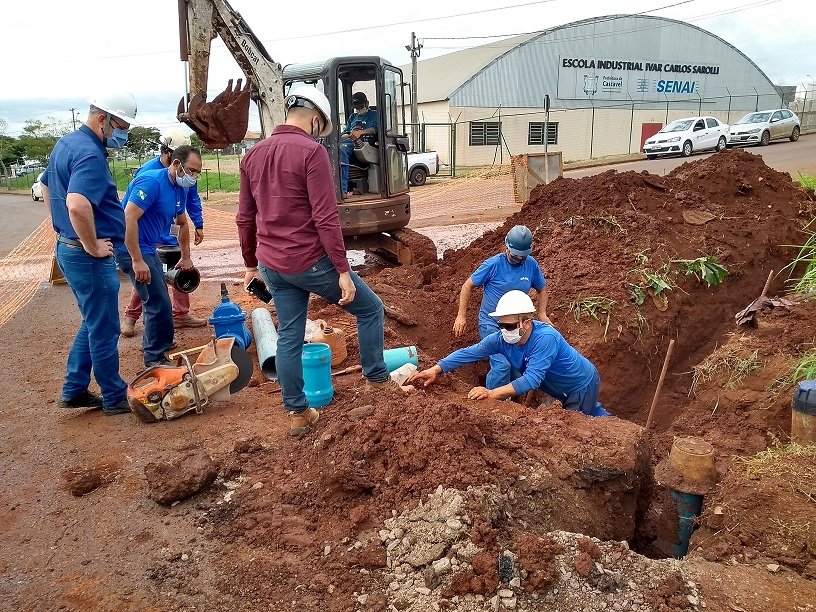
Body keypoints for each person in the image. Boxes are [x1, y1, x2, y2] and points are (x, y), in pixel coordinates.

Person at [237, 85, 393, 437]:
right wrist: (342, 270)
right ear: (315, 119)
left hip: (273, 266)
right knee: (371, 309)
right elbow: (325, 217)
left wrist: (250, 264)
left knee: (289, 336)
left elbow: (244, 218)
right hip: (310, 262)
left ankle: (298, 412)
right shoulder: (312, 152)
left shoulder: (252, 155)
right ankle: (377, 381)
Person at [39, 92, 139, 415]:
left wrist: (63, 227)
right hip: (87, 256)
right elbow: (77, 204)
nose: (122, 135)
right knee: (105, 326)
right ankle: (114, 395)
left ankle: (74, 389)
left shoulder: (67, 144)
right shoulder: (90, 155)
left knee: (93, 321)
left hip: (68, 248)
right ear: (102, 119)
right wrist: (91, 243)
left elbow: (45, 185)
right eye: (121, 127)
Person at [411, 290, 610, 417]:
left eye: (510, 325)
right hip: (558, 386)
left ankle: (616, 432)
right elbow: (470, 353)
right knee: (592, 413)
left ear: (527, 323)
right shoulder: (501, 339)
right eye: (501, 325)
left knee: (579, 422)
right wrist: (436, 369)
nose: (505, 330)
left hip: (580, 383)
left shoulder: (546, 338)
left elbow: (531, 379)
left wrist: (492, 393)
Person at [115, 145, 200, 367]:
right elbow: (128, 218)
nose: (194, 176)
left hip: (148, 247)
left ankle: (161, 342)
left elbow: (181, 223)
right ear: (176, 164)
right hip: (130, 248)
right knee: (156, 300)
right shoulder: (151, 182)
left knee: (160, 294)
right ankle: (153, 357)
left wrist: (186, 256)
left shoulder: (179, 188)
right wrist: (136, 260)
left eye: (198, 172)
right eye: (191, 170)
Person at [121, 128, 206, 337]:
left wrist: (198, 223)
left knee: (178, 270)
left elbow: (190, 201)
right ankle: (132, 316)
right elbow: (131, 215)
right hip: (147, 237)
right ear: (170, 155)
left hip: (170, 232)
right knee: (149, 279)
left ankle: (181, 314)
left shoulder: (183, 179)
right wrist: (138, 256)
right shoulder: (149, 175)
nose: (193, 176)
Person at [453, 225, 551, 390]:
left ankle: (513, 399)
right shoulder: (493, 264)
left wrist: (542, 313)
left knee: (518, 365)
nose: (518, 260)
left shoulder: (531, 265)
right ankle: (492, 400)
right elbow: (468, 285)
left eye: (522, 257)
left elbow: (542, 288)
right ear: (506, 247)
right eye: (514, 256)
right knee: (502, 365)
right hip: (491, 323)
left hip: (517, 324)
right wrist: (461, 315)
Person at [339, 92, 378, 198]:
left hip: (365, 145)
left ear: (367, 103)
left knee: (342, 149)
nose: (359, 109)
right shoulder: (352, 117)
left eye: (361, 106)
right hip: (349, 142)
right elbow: (344, 133)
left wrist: (361, 132)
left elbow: (374, 129)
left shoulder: (374, 114)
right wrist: (351, 133)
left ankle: (342, 190)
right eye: (357, 107)